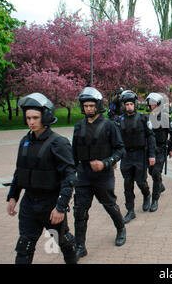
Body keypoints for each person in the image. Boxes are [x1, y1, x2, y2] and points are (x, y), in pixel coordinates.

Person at [6, 93, 78, 264]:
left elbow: (69, 177)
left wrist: (60, 207)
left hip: (50, 204)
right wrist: (13, 196)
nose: (31, 122)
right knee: (24, 246)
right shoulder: (25, 141)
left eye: (35, 117)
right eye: (28, 118)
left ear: (46, 116)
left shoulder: (58, 143)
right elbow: (20, 171)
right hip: (29, 204)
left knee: (63, 242)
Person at [72, 87, 127, 262]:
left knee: (110, 205)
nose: (88, 108)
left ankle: (121, 229)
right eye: (85, 105)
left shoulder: (109, 125)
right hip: (83, 175)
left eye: (91, 105)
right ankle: (80, 246)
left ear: (98, 105)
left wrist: (105, 163)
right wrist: (70, 174)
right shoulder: (78, 126)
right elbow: (74, 153)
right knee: (79, 211)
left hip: (104, 175)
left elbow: (120, 150)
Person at [117, 90, 156, 223]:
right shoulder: (119, 120)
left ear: (135, 104)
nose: (129, 107)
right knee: (127, 184)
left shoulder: (143, 118)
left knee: (141, 181)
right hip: (126, 155)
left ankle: (147, 194)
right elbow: (115, 141)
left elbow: (151, 137)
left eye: (131, 104)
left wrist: (151, 155)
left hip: (140, 154)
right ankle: (130, 210)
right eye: (126, 104)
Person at [145, 92, 172, 212]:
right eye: (150, 104)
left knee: (156, 172)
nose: (151, 106)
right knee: (151, 171)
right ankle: (160, 185)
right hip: (150, 150)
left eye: (153, 104)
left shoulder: (165, 118)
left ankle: (155, 200)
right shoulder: (148, 117)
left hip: (161, 149)